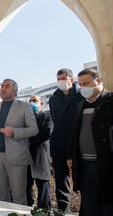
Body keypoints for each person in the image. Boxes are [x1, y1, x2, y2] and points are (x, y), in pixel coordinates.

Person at [67, 69, 113, 216]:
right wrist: (71, 155)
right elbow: (75, 133)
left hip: (106, 164)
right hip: (84, 165)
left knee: (107, 206)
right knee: (90, 206)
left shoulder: (110, 101)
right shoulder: (81, 105)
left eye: (86, 83)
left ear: (98, 81)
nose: (83, 87)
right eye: (80, 84)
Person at [0, 79, 38, 205]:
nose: (3, 89)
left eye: (7, 86)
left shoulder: (24, 106)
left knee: (18, 196)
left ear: (15, 91)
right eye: (2, 86)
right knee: (1, 195)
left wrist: (14, 132)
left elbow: (34, 129)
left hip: (17, 157)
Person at [49, 68, 83, 213]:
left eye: (63, 78)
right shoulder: (53, 98)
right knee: (61, 182)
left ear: (71, 79)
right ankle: (64, 211)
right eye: (58, 79)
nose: (61, 81)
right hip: (59, 145)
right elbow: (55, 121)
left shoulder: (81, 96)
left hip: (78, 144)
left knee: (83, 180)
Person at [26, 95, 53, 209]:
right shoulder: (26, 119)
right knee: (27, 186)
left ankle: (44, 209)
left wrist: (29, 137)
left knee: (43, 187)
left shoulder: (47, 117)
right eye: (30, 101)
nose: (32, 103)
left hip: (41, 155)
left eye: (35, 101)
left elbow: (46, 133)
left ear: (41, 103)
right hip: (27, 155)